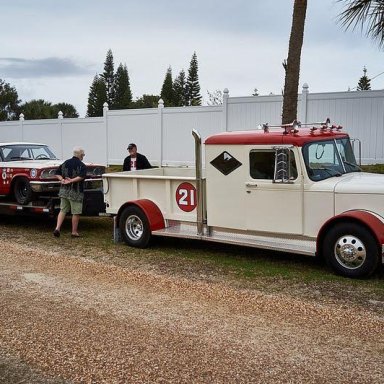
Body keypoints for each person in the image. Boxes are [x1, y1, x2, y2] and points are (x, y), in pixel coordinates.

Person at [53, 146, 87, 238]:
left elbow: (57, 173)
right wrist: (71, 181)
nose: (83, 156)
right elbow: (81, 176)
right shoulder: (82, 165)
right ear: (80, 155)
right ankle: (74, 232)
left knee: (63, 210)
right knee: (75, 212)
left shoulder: (65, 163)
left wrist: (62, 180)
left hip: (64, 191)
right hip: (76, 192)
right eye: (83, 155)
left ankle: (57, 228)